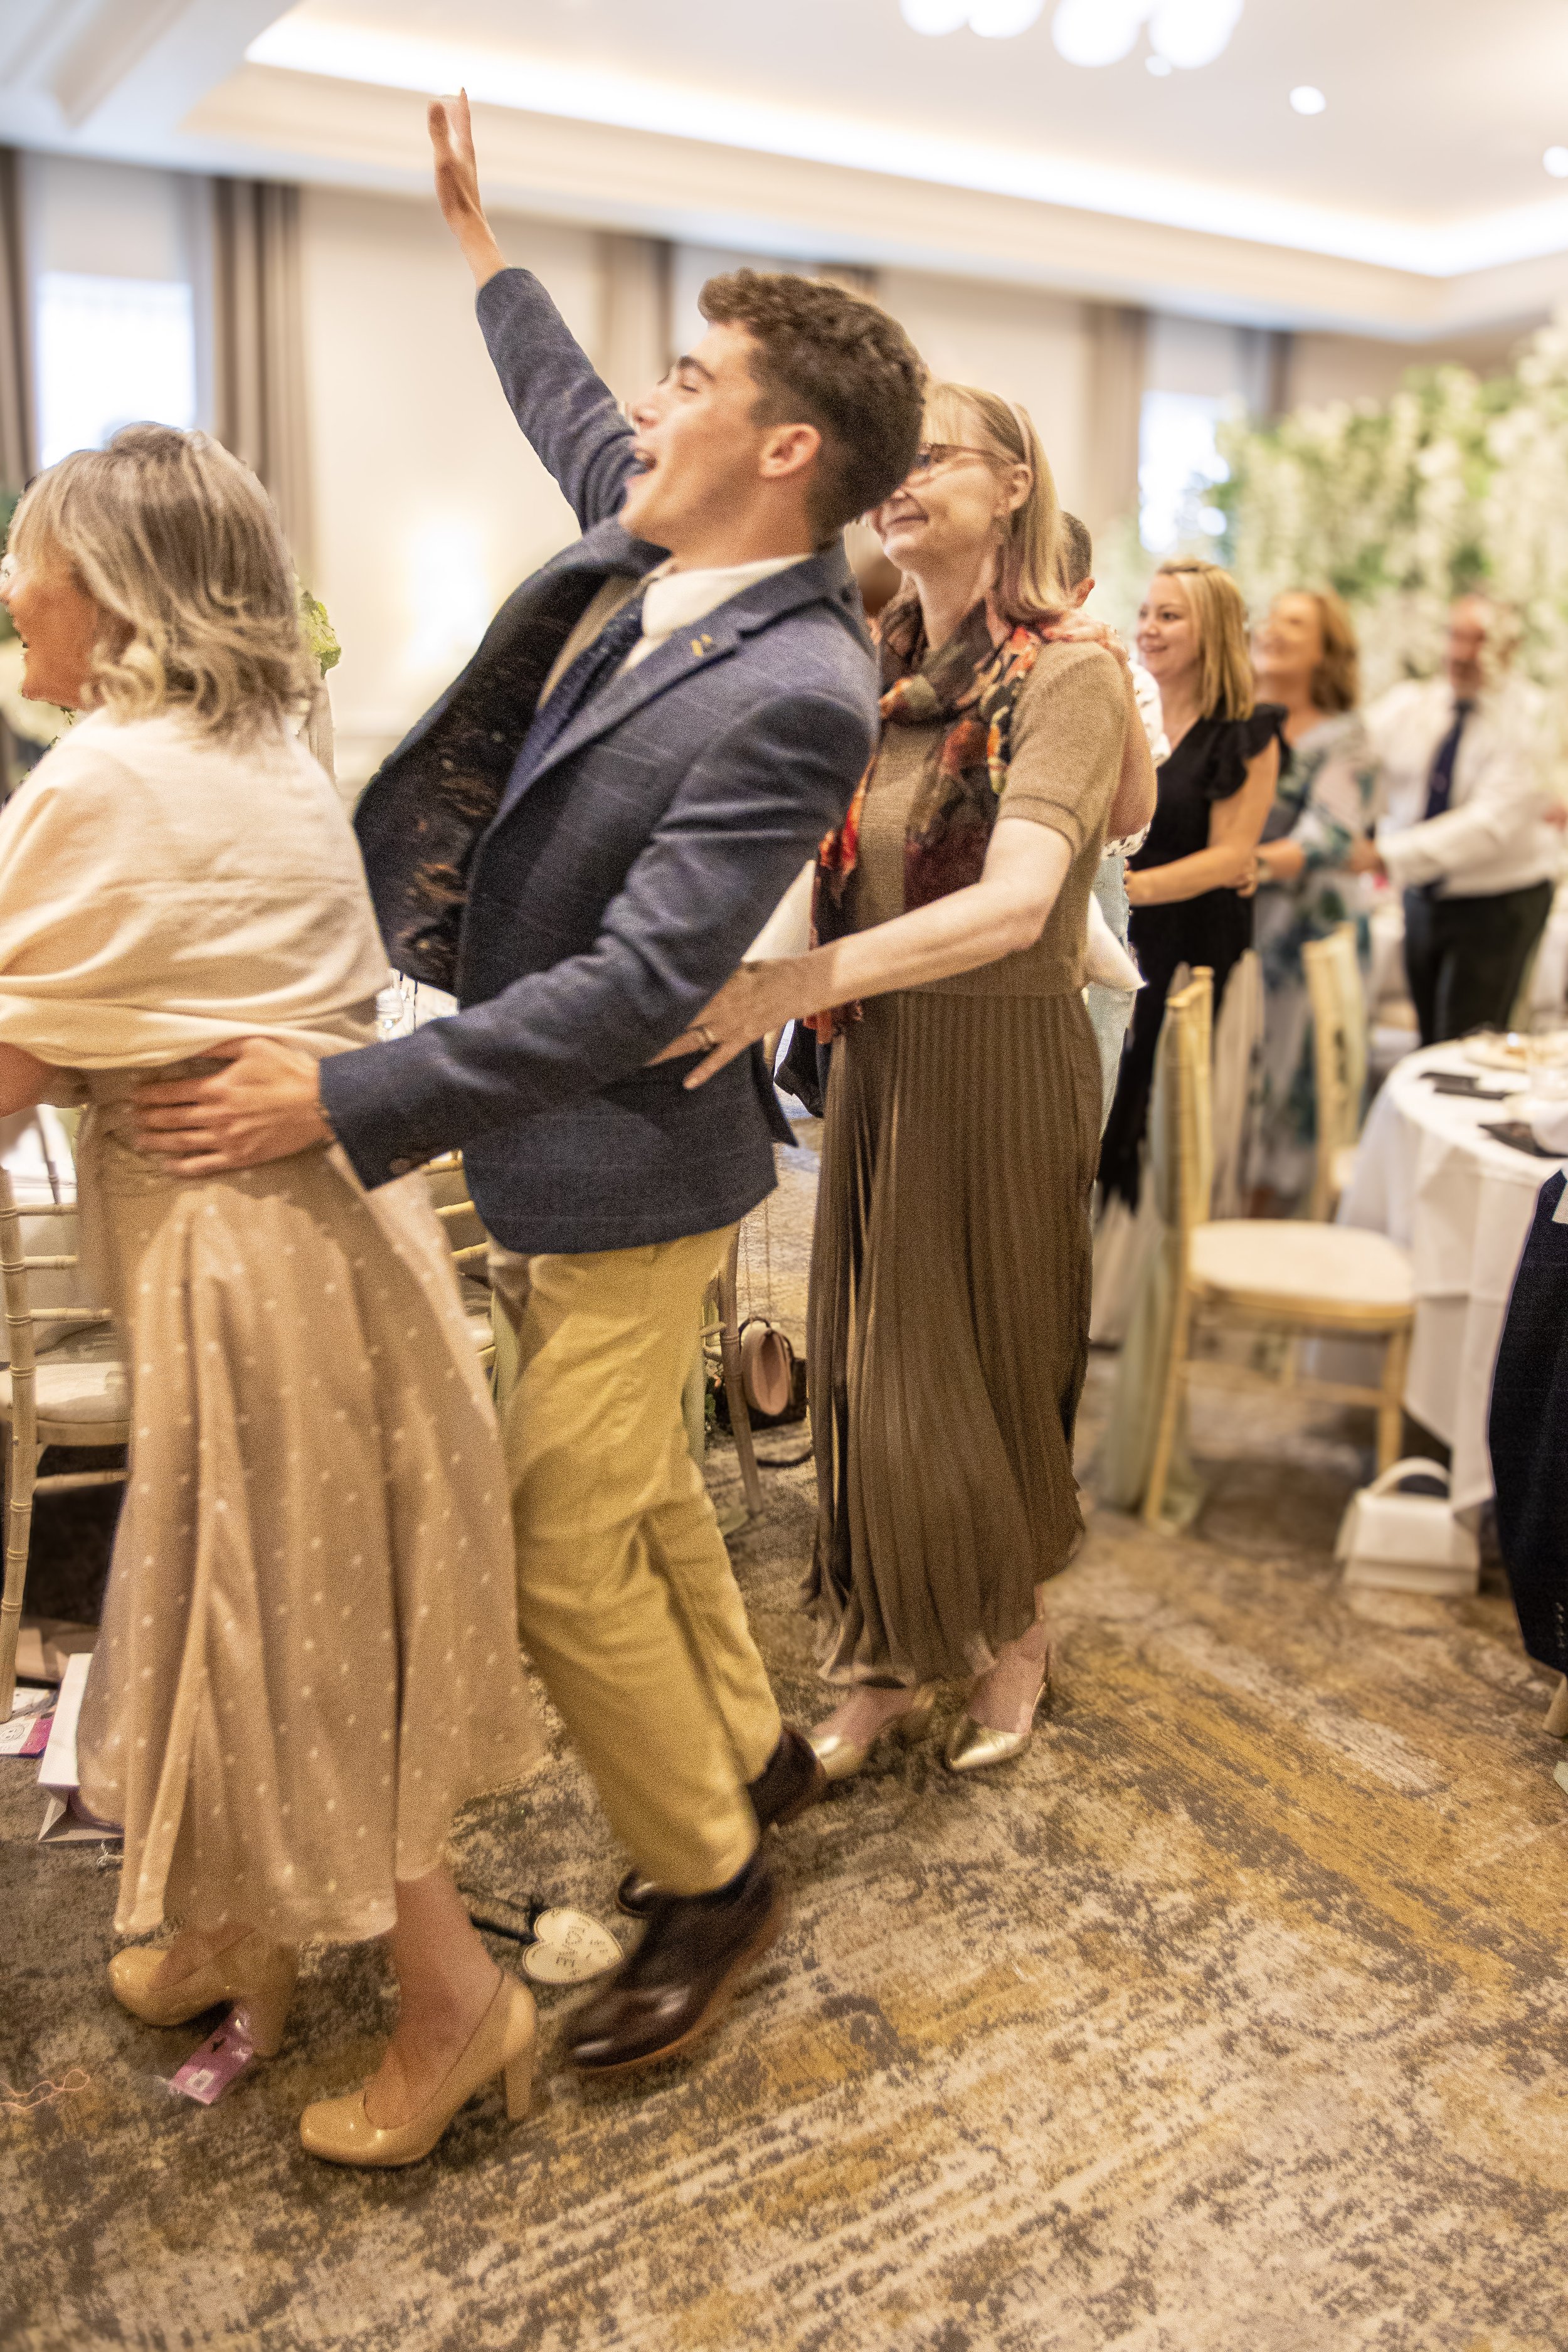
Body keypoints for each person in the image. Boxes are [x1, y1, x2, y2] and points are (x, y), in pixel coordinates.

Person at [130, 95, 928, 2075]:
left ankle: (709, 1869)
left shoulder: (799, 688)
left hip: (634, 1154)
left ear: (786, 449)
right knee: (640, 1489)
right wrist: (481, 246)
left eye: (692, 382)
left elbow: (642, 988)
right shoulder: (659, 535)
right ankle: (744, 1738)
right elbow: (563, 404)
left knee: (552, 1540)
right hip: (554, 1133)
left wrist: (347, 1098)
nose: (643, 412)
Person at [0, 425, 540, 2169]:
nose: (15, 591)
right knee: (277, 1602)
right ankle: (243, 1918)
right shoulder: (271, 748)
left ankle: (458, 2003)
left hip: (239, 1264)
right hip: (332, 1237)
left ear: (121, 596)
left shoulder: (103, 777)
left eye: (38, 563)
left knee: (294, 1626)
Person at [649, 386, 1157, 1775]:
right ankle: (881, 1656)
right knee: (871, 1373)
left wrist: (792, 989)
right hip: (880, 1059)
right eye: (891, 457)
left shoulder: (1067, 676)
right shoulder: (862, 667)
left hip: (999, 1058)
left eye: (929, 453)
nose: (899, 475)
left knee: (980, 1370)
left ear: (1010, 488)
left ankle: (1009, 1637)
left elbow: (1012, 909)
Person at [1098, 558, 1281, 1212]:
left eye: (1169, 615)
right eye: (1146, 611)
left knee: (1154, 1122)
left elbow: (1231, 857)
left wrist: (1122, 889)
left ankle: (1134, 1295)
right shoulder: (1124, 710)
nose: (1148, 627)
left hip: (1190, 948)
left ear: (1215, 631)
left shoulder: (1245, 734)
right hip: (1116, 937)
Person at [1355, 593, 1560, 1046]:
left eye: (1479, 640)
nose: (1461, 654)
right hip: (1424, 896)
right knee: (1428, 1039)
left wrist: (1382, 854)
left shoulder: (1533, 718)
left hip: (1498, 901)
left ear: (1510, 647)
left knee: (1465, 1047)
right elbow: (1354, 755)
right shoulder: (1414, 705)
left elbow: (1489, 825)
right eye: (1455, 636)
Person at [1247, 589, 1381, 1212]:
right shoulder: (1235, 717)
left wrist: (1232, 866)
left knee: (1290, 1085)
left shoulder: (1346, 738)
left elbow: (1327, 834)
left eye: (1295, 624)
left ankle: (1281, 1225)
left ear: (1326, 652)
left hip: (1307, 935)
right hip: (1239, 920)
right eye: (1271, 616)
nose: (1274, 628)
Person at [1058, 511, 1167, 1127]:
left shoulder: (1126, 681)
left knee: (1079, 1105)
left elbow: (1128, 828)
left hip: (1090, 889)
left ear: (1082, 592)